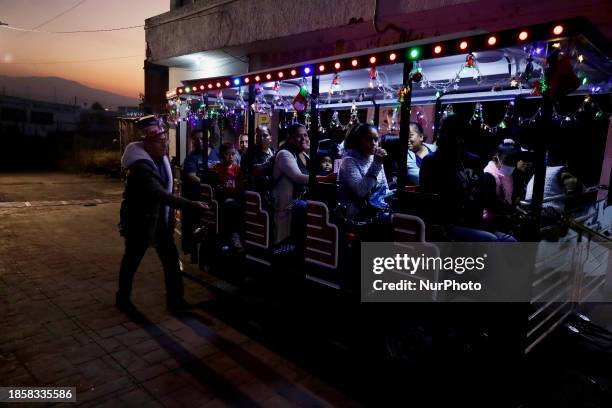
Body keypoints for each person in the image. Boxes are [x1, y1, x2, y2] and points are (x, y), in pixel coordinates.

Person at [117, 116, 209, 314]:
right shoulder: (140, 167)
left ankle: (175, 300)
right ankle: (122, 298)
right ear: (147, 142)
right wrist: (190, 204)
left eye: (165, 139)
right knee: (132, 260)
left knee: (170, 260)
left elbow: (168, 191)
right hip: (140, 221)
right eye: (160, 141)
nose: (165, 144)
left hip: (160, 221)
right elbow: (160, 194)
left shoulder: (161, 159)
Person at [419, 114, 515, 242]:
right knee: (490, 240)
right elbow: (430, 200)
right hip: (447, 226)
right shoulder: (432, 162)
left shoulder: (473, 160)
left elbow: (486, 196)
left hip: (475, 223)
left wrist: (511, 211)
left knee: (510, 241)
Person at [338, 124, 390, 220]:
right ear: (358, 141)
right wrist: (376, 164)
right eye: (368, 139)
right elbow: (361, 192)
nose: (373, 143)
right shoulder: (348, 161)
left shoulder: (375, 159)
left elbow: (384, 188)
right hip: (356, 213)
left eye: (376, 139)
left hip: (376, 209)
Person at [272, 123, 310, 244]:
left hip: (299, 199)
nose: (303, 138)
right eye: (299, 136)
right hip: (287, 204)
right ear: (291, 138)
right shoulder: (285, 154)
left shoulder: (303, 154)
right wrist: (320, 179)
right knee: (307, 208)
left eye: (305, 135)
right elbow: (298, 177)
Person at [212, 142, 245, 252]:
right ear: (222, 155)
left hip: (235, 196)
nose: (231, 157)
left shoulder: (237, 169)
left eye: (233, 154)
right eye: (227, 154)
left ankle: (237, 234)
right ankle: (233, 235)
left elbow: (241, 185)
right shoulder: (217, 168)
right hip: (223, 196)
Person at [482, 140, 520, 232]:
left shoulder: (507, 173)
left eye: (514, 161)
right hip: (489, 221)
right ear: (496, 159)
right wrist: (513, 210)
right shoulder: (489, 175)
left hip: (504, 217)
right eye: (508, 161)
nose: (512, 165)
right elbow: (492, 204)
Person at [181, 129, 207, 254]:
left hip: (213, 198)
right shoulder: (191, 158)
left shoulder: (215, 154)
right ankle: (194, 252)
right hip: (197, 197)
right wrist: (207, 185)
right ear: (192, 141)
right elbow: (191, 175)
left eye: (202, 138)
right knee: (195, 226)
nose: (199, 141)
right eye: (196, 139)